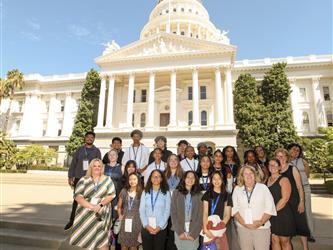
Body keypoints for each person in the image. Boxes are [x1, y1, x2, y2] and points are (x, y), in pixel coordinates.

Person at [69, 159, 116, 249]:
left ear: (102, 168)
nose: (97, 168)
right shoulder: (84, 179)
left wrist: (100, 205)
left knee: (103, 242)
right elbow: (78, 196)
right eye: (94, 166)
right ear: (91, 167)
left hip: (102, 213)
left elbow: (111, 195)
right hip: (86, 214)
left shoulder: (107, 179)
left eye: (99, 166)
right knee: (87, 241)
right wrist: (92, 206)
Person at [232, 165, 277, 250]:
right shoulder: (237, 189)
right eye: (246, 174)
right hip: (243, 228)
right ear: (242, 176)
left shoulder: (263, 188)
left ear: (255, 175)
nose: (248, 175)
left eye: (251, 173)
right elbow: (234, 209)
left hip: (261, 228)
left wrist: (260, 222)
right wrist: (244, 223)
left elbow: (269, 208)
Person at [65, 131, 102, 231]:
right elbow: (73, 163)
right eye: (88, 137)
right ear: (85, 138)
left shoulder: (97, 151)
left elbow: (99, 165)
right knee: (77, 200)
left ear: (94, 139)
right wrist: (70, 176)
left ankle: (87, 222)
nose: (89, 139)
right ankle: (72, 221)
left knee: (90, 200)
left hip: (91, 179)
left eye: (91, 137)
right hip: (79, 178)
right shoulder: (79, 150)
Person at [275, 148, 310, 250]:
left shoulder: (292, 169)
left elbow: (300, 187)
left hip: (295, 201)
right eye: (278, 156)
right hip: (283, 203)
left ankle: (305, 248)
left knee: (301, 226)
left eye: (282, 156)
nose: (280, 158)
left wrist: (302, 202)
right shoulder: (275, 170)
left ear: (286, 158)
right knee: (287, 229)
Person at [288, 143, 315, 242]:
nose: (295, 152)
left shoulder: (303, 161)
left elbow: (307, 175)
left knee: (307, 211)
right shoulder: (285, 162)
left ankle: (310, 234)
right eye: (293, 149)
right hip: (293, 190)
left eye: (298, 151)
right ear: (289, 150)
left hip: (304, 188)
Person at [267, 158, 295, 250]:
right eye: (270, 165)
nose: (272, 167)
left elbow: (285, 199)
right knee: (274, 239)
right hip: (271, 214)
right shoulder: (267, 180)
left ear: (279, 167)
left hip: (283, 214)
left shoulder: (284, 179)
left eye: (275, 165)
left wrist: (272, 211)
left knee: (284, 240)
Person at [139, 169, 171, 250]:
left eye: (158, 176)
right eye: (154, 176)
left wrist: (159, 227)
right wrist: (146, 225)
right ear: (150, 178)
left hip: (160, 228)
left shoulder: (166, 192)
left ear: (162, 179)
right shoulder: (145, 192)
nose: (156, 178)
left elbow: (167, 211)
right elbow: (142, 210)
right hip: (147, 227)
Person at [171, 171, 203, 250]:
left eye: (193, 178)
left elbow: (200, 216)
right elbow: (173, 213)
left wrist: (194, 233)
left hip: (193, 231)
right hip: (180, 230)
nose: (190, 179)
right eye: (188, 177)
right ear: (184, 179)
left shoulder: (200, 195)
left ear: (195, 180)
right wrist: (179, 232)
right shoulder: (176, 193)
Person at [202, 171, 232, 250]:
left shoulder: (227, 195)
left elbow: (227, 215)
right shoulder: (207, 194)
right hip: (209, 226)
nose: (216, 181)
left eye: (219, 179)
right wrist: (205, 228)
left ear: (222, 180)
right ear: (211, 180)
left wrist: (220, 226)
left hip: (221, 228)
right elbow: (205, 213)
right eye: (214, 179)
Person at [117, 173, 143, 250]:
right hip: (125, 221)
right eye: (130, 179)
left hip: (136, 221)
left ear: (138, 180)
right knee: (124, 245)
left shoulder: (142, 192)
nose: (132, 181)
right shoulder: (124, 191)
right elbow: (119, 206)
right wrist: (120, 215)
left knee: (134, 245)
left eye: (134, 179)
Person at [164, 154, 183, 250]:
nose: (173, 161)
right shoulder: (163, 175)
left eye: (175, 159)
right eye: (170, 159)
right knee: (167, 233)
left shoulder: (183, 175)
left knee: (176, 231)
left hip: (178, 208)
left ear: (178, 162)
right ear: (168, 162)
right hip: (165, 207)